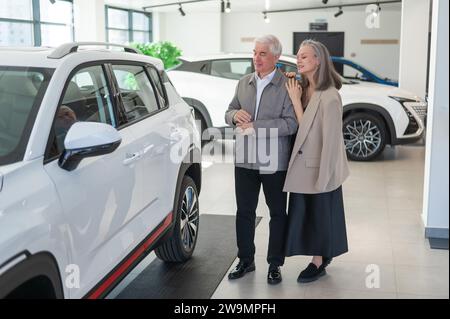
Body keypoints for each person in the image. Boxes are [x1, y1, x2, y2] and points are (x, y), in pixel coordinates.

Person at [224, 35, 298, 285]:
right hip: (244, 159)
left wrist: (257, 126)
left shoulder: (287, 86)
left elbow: (291, 123)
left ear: (276, 57)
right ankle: (245, 259)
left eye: (263, 53)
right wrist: (235, 116)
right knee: (244, 212)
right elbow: (228, 111)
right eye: (254, 52)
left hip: (274, 160)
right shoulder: (243, 83)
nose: (256, 57)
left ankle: (275, 263)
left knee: (278, 213)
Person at [283, 39, 350, 283]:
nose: (299, 60)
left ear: (318, 60)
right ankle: (322, 254)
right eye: (298, 56)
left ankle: (318, 261)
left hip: (320, 166)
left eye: (305, 56)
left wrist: (325, 176)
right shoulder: (304, 88)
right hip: (302, 165)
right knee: (306, 214)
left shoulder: (330, 96)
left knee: (319, 214)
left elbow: (329, 141)